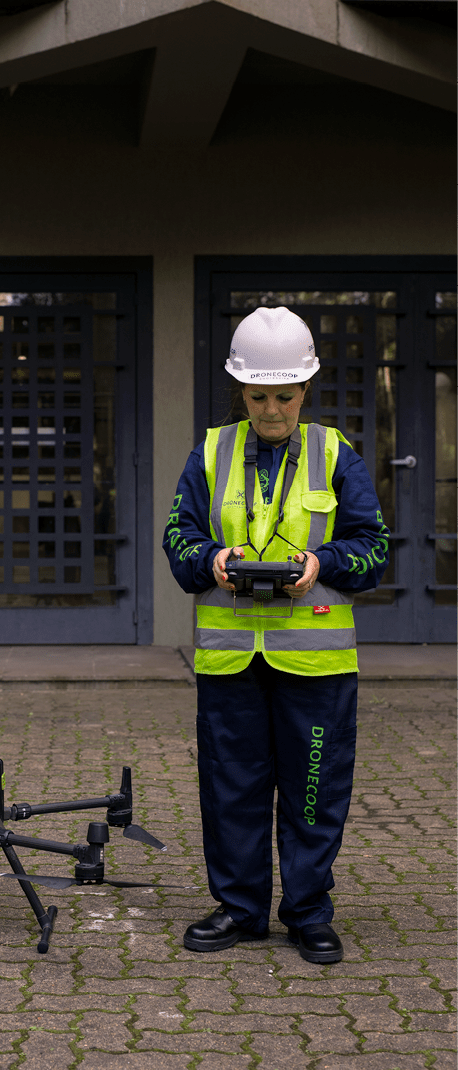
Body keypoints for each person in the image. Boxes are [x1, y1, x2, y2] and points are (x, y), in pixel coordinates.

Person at [163, 306, 389, 964]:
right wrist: (214, 562)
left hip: (315, 668)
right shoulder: (209, 451)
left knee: (314, 790)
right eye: (257, 396)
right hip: (231, 662)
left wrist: (323, 564)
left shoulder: (333, 454)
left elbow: (371, 550)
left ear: (304, 389)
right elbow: (178, 542)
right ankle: (239, 910)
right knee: (230, 789)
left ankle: (307, 912)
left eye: (282, 396)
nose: (269, 410)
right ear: (240, 389)